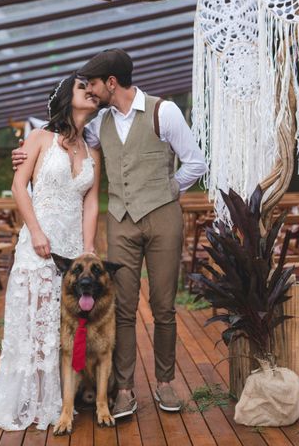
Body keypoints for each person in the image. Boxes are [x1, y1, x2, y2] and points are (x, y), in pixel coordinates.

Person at [12, 49, 207, 419]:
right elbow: (63, 141)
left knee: (164, 306)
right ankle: (124, 389)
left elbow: (196, 161)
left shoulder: (163, 112)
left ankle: (165, 382)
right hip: (121, 219)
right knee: (123, 307)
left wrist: (168, 189)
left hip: (164, 217)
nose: (90, 89)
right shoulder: (98, 123)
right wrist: (21, 155)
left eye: (93, 83)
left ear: (111, 83)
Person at [0, 72, 101, 431]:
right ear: (67, 97)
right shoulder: (38, 138)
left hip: (73, 250)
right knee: (35, 320)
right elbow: (19, 186)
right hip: (39, 241)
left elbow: (92, 203)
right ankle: (29, 397)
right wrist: (35, 231)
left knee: (62, 323)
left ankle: (61, 397)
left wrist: (89, 250)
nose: (91, 93)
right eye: (83, 88)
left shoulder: (93, 150)